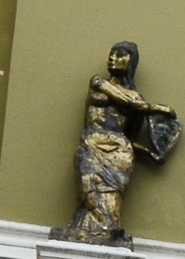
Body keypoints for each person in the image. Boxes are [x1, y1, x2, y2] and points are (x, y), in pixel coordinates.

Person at [69, 41, 178, 243]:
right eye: (112, 54)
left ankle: (107, 232)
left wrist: (149, 152)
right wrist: (157, 108)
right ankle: (87, 230)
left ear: (131, 62)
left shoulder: (136, 97)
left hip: (119, 151)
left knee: (111, 200)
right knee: (89, 191)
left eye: (120, 55)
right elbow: (127, 101)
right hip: (93, 143)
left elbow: (130, 138)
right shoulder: (99, 83)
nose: (113, 58)